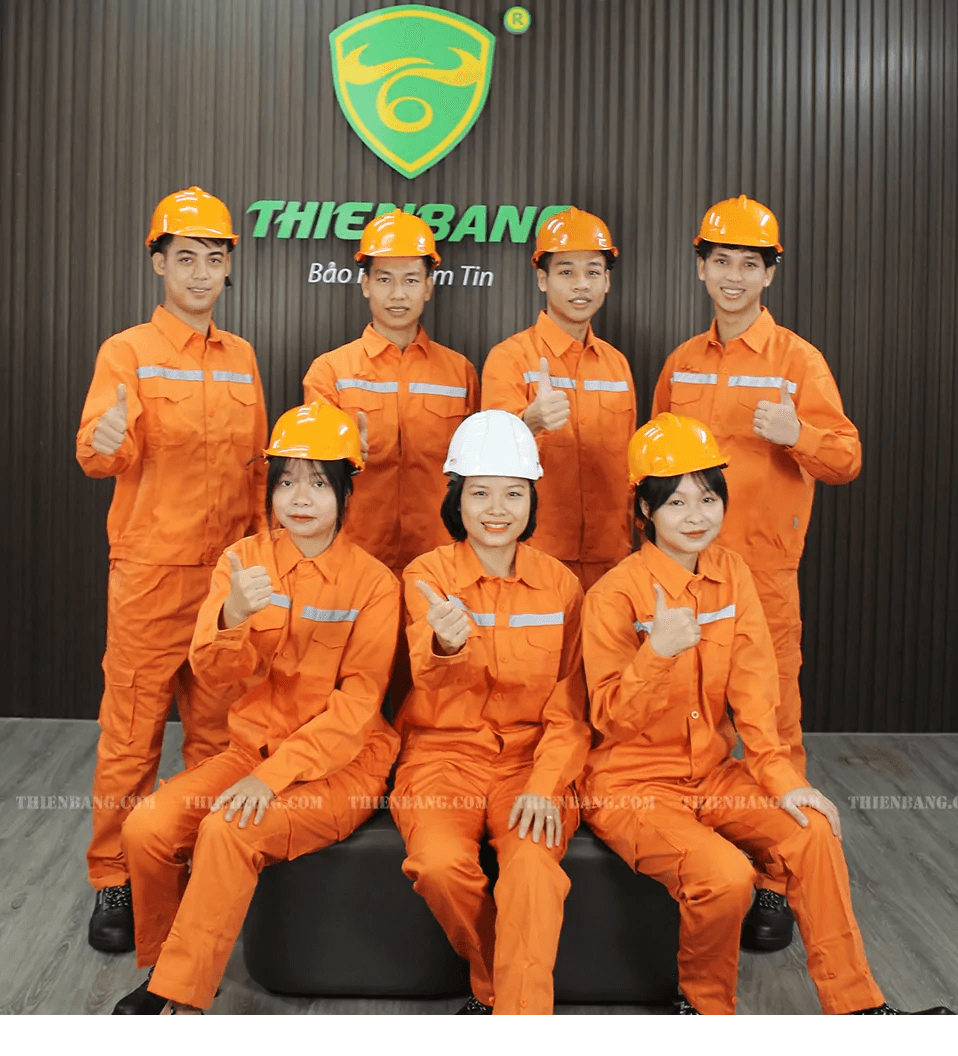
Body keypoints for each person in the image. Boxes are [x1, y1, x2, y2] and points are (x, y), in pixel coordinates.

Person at [579, 414, 953, 1015]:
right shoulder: (613, 596)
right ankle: (704, 1008)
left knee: (812, 832)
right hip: (632, 786)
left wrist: (782, 778)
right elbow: (609, 719)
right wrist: (658, 653)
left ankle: (858, 1007)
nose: (697, 515)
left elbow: (755, 691)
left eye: (708, 498)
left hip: (712, 775)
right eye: (676, 502)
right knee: (727, 876)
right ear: (645, 510)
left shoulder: (731, 574)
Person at [110, 403, 400, 1014]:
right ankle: (169, 967)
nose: (301, 498)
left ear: (346, 492)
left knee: (227, 829)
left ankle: (180, 1001)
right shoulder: (242, 562)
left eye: (319, 482)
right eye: (287, 481)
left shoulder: (375, 583)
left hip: (340, 768)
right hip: (251, 750)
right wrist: (233, 615)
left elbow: (356, 706)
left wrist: (271, 779)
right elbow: (213, 673)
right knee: (146, 828)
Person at [652, 195, 862, 949]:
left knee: (771, 727)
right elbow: (652, 472)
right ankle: (703, 862)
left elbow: (846, 457)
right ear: (701, 268)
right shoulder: (681, 364)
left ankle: (777, 878)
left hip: (763, 578)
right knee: (689, 722)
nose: (734, 277)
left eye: (750, 263)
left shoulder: (798, 361)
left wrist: (798, 432)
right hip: (686, 575)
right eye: (722, 262)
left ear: (770, 273)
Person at [76, 186, 268, 953]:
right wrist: (108, 437)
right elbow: (99, 452)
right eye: (185, 258)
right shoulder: (126, 353)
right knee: (131, 737)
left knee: (219, 738)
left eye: (213, 259)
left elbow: (257, 469)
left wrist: (261, 558)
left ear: (227, 268)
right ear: (158, 264)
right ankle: (115, 876)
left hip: (224, 583)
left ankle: (189, 860)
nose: (199, 273)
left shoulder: (242, 357)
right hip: (151, 577)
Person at [392, 411, 590, 1014]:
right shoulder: (426, 576)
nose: (496, 510)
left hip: (530, 760)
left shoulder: (561, 586)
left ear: (533, 500)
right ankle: (500, 986)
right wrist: (445, 642)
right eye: (479, 493)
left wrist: (546, 785)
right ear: (456, 499)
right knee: (437, 865)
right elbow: (426, 676)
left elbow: (571, 704)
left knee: (531, 870)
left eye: (513, 493)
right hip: (441, 757)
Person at [303, 209, 479, 578]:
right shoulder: (330, 372)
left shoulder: (460, 372)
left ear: (429, 286)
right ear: (365, 284)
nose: (398, 294)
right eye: (384, 279)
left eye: (411, 280)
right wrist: (344, 456)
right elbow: (312, 474)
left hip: (441, 559)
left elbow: (476, 472)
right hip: (351, 559)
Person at [481, 207, 635, 590]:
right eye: (566, 272)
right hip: (533, 559)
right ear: (542, 279)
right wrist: (528, 422)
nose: (581, 284)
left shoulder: (617, 365)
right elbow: (489, 462)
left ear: (607, 281)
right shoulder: (509, 358)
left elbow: (629, 469)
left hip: (610, 559)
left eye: (593, 272)